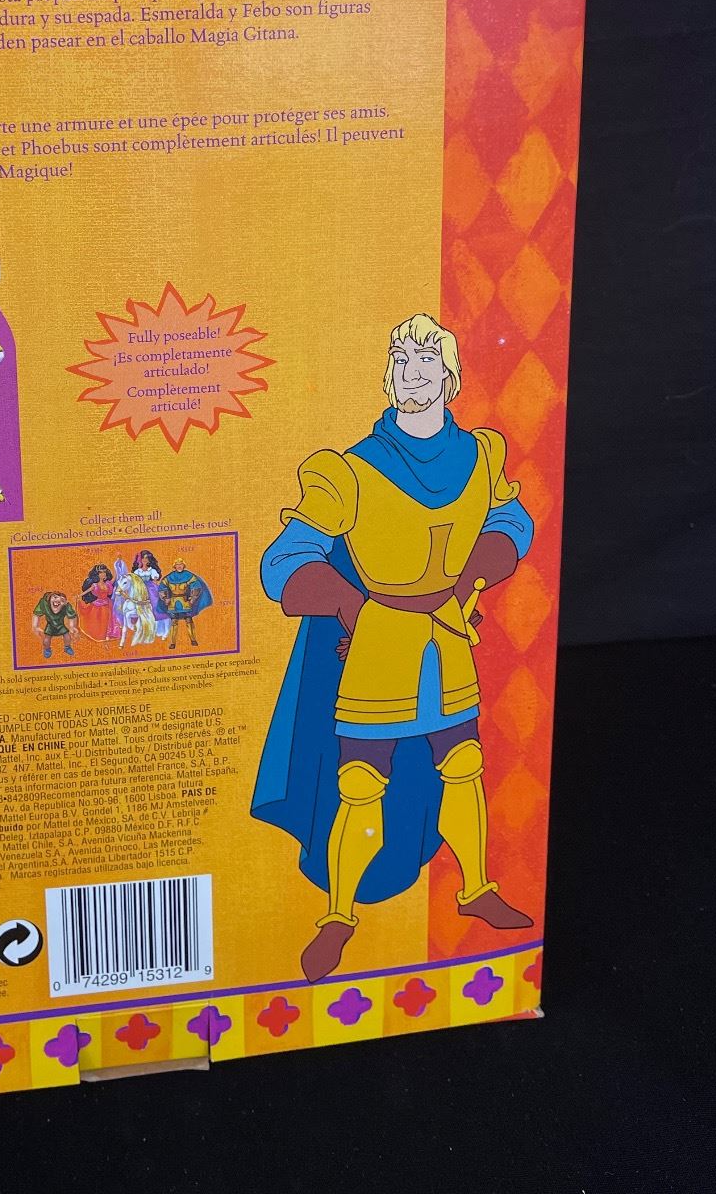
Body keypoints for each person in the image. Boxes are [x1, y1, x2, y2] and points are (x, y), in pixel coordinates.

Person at [252, 313, 536, 981]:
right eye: (401, 362)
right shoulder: (350, 471)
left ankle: (475, 890)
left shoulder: (482, 455)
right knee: (360, 782)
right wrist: (348, 604)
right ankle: (339, 916)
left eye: (426, 362)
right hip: (380, 643)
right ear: (389, 376)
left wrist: (475, 573)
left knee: (463, 764)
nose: (412, 374)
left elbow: (510, 518)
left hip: (448, 636)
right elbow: (284, 558)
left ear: (450, 376)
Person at [162, 558, 212, 648]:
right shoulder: (169, 577)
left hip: (185, 602)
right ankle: (172, 643)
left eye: (181, 564)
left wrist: (193, 598)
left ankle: (193, 640)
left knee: (189, 620)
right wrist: (165, 598)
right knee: (174, 621)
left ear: (183, 565)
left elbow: (196, 586)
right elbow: (162, 587)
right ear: (174, 566)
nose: (179, 566)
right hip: (173, 603)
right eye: (177, 564)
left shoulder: (188, 575)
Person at [32, 590, 78, 660]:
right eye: (55, 597)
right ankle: (47, 649)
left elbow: (72, 616)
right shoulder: (44, 604)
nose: (58, 600)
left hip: (61, 625)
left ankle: (67, 647)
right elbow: (36, 614)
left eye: (62, 600)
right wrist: (35, 626)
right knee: (46, 640)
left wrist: (72, 626)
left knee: (67, 636)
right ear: (49, 599)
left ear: (64, 603)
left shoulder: (66, 607)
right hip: (50, 626)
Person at [80, 564, 117, 644]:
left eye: (104, 572)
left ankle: (107, 636)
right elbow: (86, 591)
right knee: (99, 621)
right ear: (97, 574)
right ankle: (101, 636)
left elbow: (114, 578)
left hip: (107, 604)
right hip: (97, 605)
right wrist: (78, 596)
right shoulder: (95, 585)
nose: (103, 574)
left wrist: (117, 566)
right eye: (100, 572)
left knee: (108, 620)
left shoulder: (108, 584)